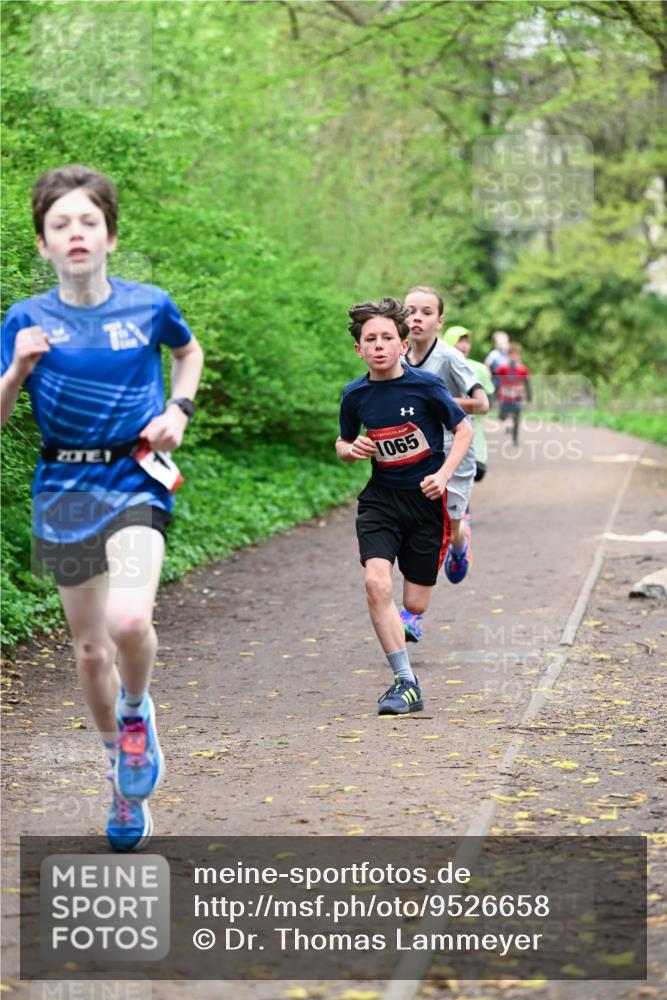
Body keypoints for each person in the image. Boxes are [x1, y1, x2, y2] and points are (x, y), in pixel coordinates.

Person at [1, 165, 204, 851]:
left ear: (110, 236)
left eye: (88, 221)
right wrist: (17, 370)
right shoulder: (24, 320)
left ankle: (137, 710)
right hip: (64, 488)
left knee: (128, 620)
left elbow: (188, 353)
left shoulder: (149, 305)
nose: (76, 233)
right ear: (43, 243)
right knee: (90, 653)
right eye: (60, 224)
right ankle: (121, 773)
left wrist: (179, 409)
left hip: (134, 477)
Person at [336, 297, 472, 715]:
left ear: (402, 344)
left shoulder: (426, 386)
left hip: (426, 503)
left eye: (386, 338)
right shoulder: (355, 395)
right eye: (370, 339)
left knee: (415, 604)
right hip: (381, 501)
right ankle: (406, 682)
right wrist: (351, 449)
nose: (379, 345)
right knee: (377, 584)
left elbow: (463, 430)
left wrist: (444, 475)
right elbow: (342, 442)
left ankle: (460, 540)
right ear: (359, 349)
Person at [402, 286, 489, 641]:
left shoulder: (451, 358)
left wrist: (437, 400)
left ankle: (460, 541)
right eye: (410, 311)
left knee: (448, 530)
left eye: (426, 312)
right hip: (417, 454)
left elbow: (481, 404)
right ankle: (412, 615)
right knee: (420, 530)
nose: (416, 318)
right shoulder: (397, 354)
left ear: (439, 321)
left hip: (456, 454)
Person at [443, 325, 494, 484]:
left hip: (473, 428)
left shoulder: (479, 369)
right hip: (445, 430)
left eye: (467, 341)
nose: (464, 345)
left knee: (477, 472)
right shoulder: (438, 366)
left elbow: (488, 398)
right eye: (459, 341)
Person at [495, 342, 532, 445]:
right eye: (511, 355)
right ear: (508, 356)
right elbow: (496, 381)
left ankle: (515, 439)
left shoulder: (522, 369)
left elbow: (527, 382)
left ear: (518, 356)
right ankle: (507, 424)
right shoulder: (502, 368)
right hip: (505, 397)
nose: (513, 357)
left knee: (516, 418)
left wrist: (529, 395)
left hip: (517, 397)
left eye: (515, 355)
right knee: (502, 416)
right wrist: (495, 393)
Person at [484, 330, 509, 401]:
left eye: (503, 341)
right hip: (497, 379)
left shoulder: (509, 353)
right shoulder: (494, 354)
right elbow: (486, 364)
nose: (502, 344)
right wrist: (489, 375)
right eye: (499, 342)